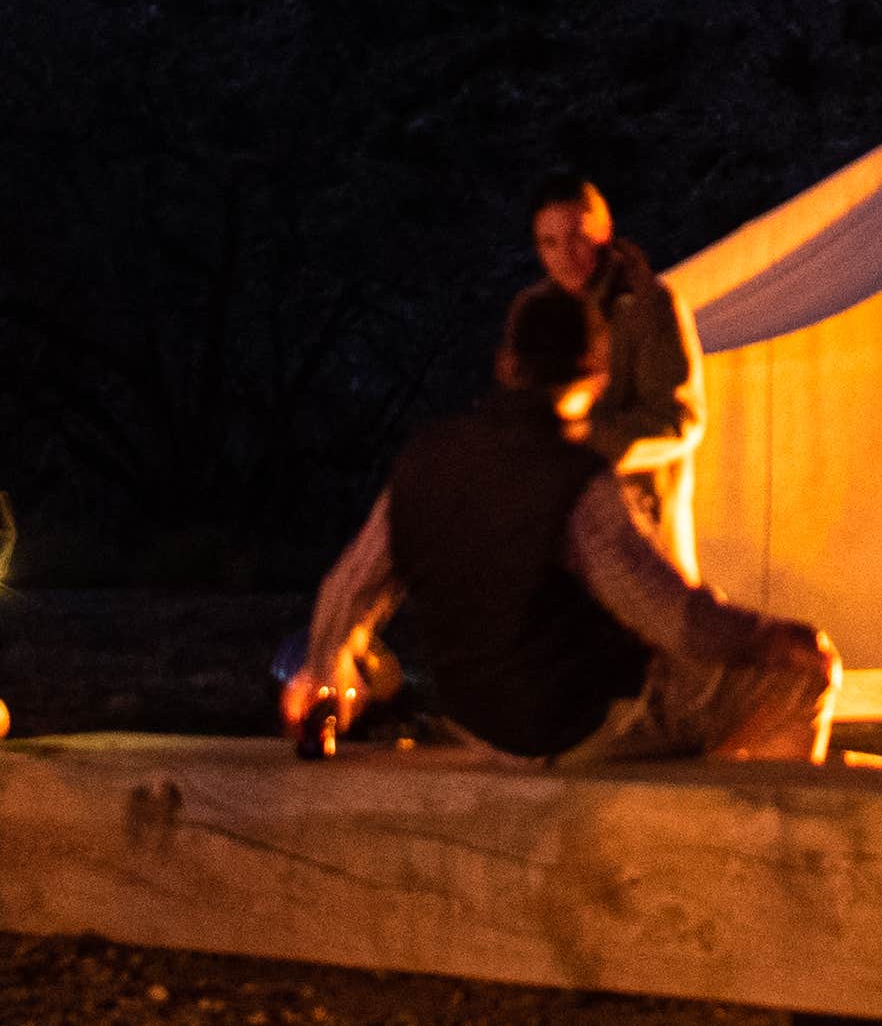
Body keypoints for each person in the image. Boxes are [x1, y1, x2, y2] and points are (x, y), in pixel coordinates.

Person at [285, 286, 832, 764]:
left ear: (506, 363)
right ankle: (761, 856)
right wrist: (771, 636)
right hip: (566, 726)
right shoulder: (576, 481)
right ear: (598, 369)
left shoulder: (424, 459)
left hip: (475, 723)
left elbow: (346, 588)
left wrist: (321, 675)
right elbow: (676, 623)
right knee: (803, 671)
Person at [527, 176, 705, 565]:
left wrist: (586, 446)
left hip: (642, 532)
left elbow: (680, 421)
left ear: (604, 232)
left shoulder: (649, 307)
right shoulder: (535, 314)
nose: (565, 256)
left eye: (577, 238)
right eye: (549, 243)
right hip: (559, 533)